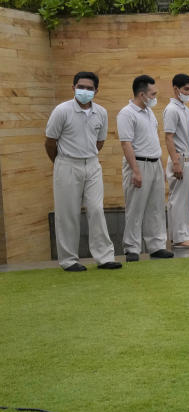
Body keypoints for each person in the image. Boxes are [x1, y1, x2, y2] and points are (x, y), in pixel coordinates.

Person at [44, 72, 122, 272]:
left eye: (89, 88)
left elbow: (100, 141)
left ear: (96, 90)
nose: (84, 91)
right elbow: (50, 142)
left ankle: (104, 257)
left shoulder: (101, 112)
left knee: (96, 209)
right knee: (67, 212)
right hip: (66, 163)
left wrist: (88, 156)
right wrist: (60, 162)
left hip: (92, 164)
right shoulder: (62, 111)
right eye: (81, 87)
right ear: (73, 88)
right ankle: (69, 260)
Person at [117, 75, 174, 261]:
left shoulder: (148, 111)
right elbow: (126, 144)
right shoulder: (127, 113)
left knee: (156, 206)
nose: (155, 97)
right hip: (138, 162)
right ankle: (132, 248)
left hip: (154, 162)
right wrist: (135, 170)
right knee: (135, 207)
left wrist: (160, 165)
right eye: (153, 93)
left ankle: (156, 245)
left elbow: (152, 139)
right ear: (142, 94)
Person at [163, 73, 189, 248]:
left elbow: (178, 135)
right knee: (178, 199)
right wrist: (176, 162)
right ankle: (179, 237)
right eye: (186, 89)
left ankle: (180, 235)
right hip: (178, 158)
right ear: (175, 89)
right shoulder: (171, 109)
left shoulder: (184, 109)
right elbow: (168, 137)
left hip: (184, 158)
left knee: (183, 199)